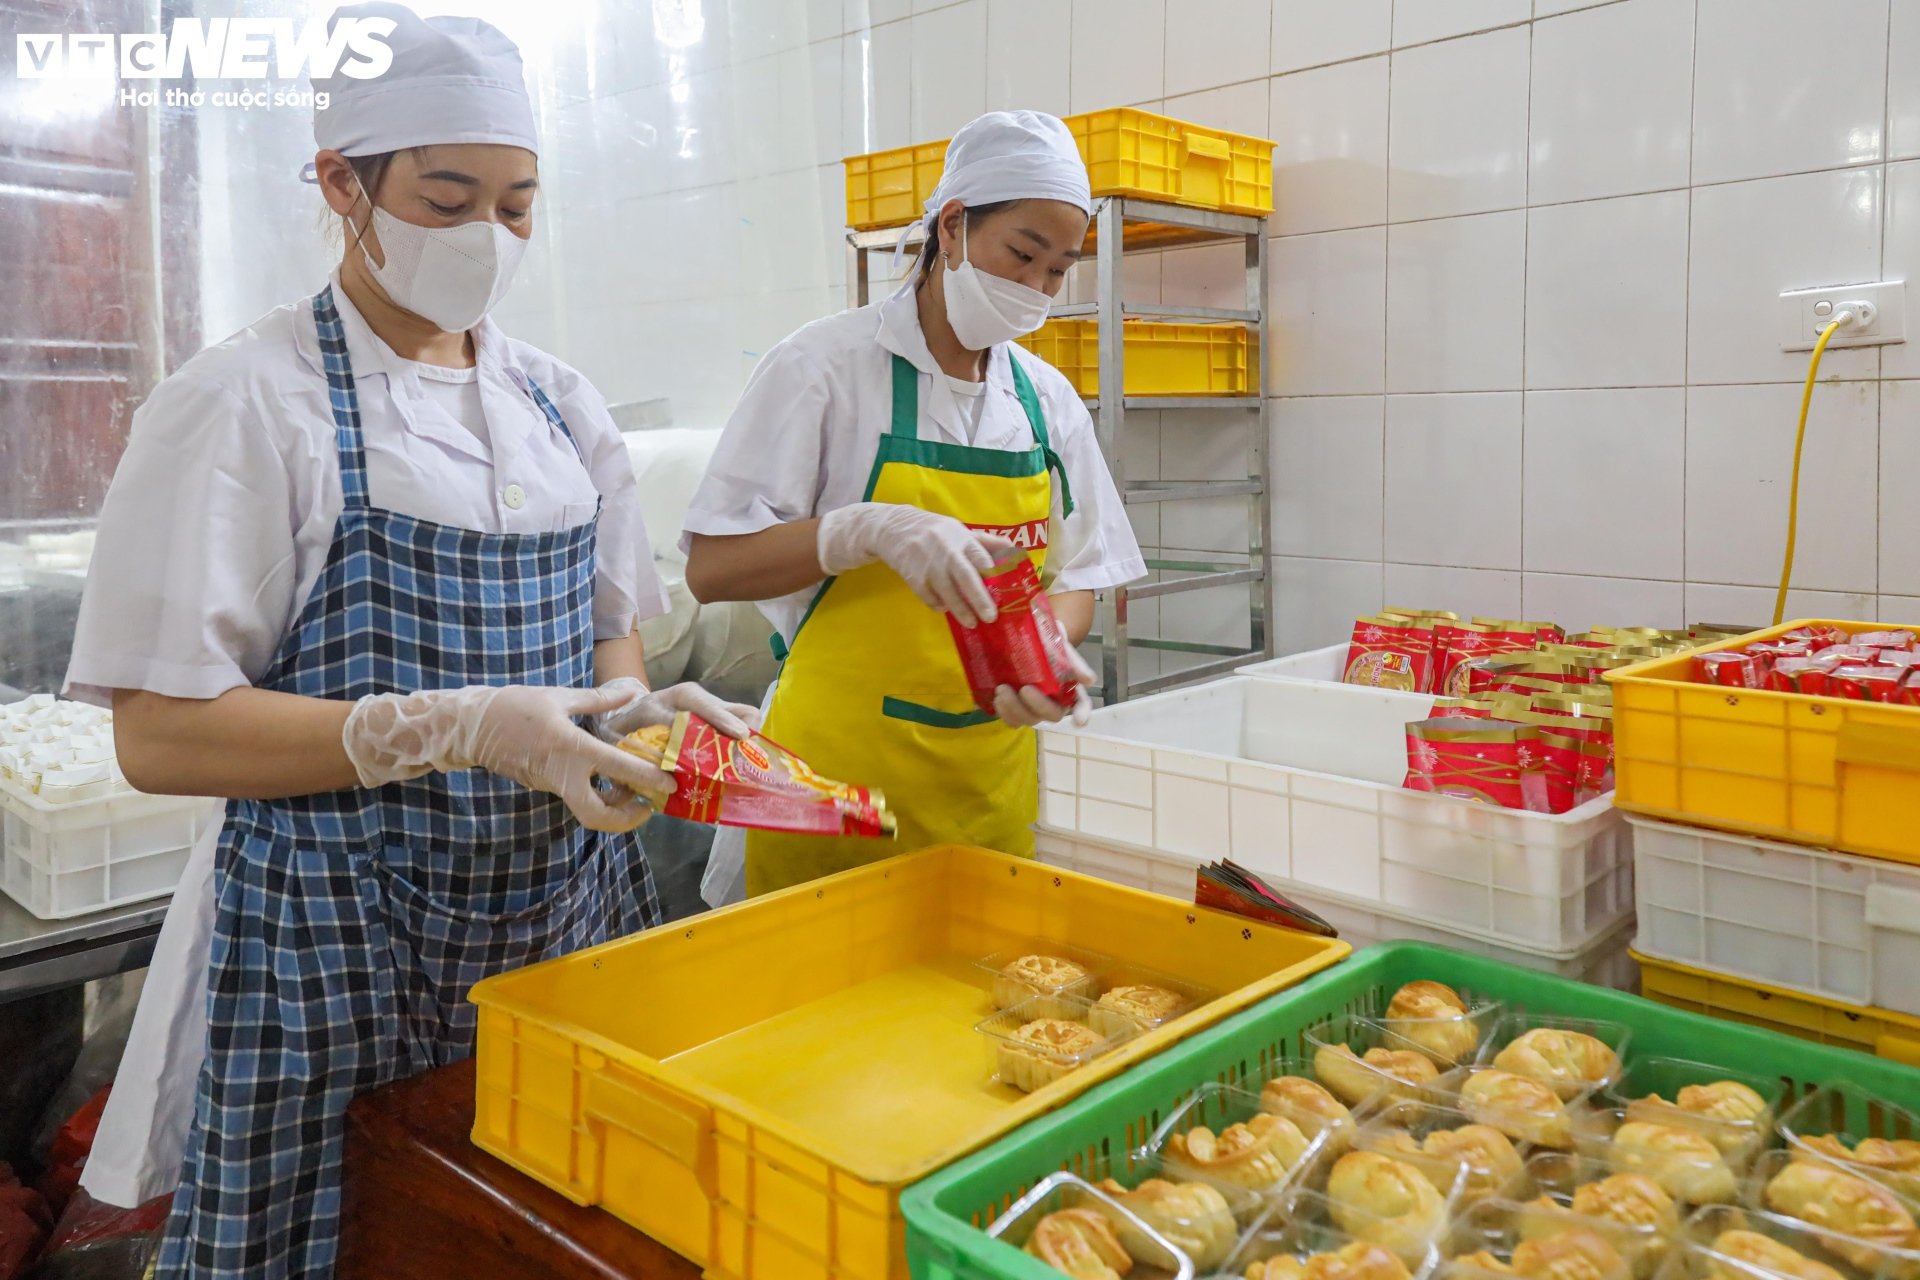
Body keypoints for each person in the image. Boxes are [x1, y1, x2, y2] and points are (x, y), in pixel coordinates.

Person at [62, 6, 753, 1274]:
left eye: (518, 202)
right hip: (337, 938)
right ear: (340, 182)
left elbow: (615, 640)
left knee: (543, 1236)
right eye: (447, 197)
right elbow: (158, 736)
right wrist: (450, 727)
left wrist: (628, 716)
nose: (487, 234)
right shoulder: (242, 404)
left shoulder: (560, 404)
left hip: (562, 916)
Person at [683, 110, 1146, 900]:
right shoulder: (824, 368)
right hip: (830, 783)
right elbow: (712, 568)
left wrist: (1041, 646)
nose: (1034, 288)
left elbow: (1081, 577)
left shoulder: (1047, 402)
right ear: (954, 228)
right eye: (1023, 255)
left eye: (1057, 271)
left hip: (985, 785)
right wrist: (859, 531)